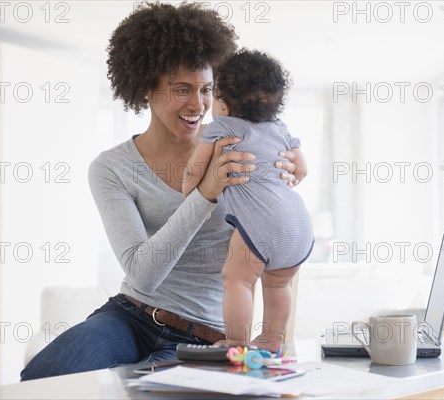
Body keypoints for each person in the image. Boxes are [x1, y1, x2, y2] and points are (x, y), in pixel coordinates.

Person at [20, 3, 298, 380]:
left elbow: (279, 250)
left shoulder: (239, 150)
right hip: (130, 315)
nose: (197, 105)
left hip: (210, 336)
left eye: (206, 90)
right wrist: (205, 193)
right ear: (145, 88)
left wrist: (279, 340)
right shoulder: (112, 168)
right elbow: (142, 274)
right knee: (46, 375)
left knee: (151, 390)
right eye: (181, 89)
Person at [182, 49, 314, 352]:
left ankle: (236, 340)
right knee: (278, 284)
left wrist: (190, 187)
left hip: (260, 224)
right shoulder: (280, 129)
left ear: (224, 105)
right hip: (298, 224)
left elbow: (194, 172)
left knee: (237, 280)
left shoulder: (222, 127)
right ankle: (271, 339)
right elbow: (302, 170)